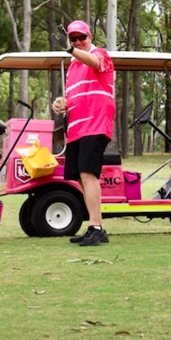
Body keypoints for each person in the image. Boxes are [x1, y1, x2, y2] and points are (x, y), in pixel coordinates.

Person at [51, 20, 116, 247]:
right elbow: (72, 97)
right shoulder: (73, 68)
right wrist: (60, 104)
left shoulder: (99, 54)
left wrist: (71, 50)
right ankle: (95, 226)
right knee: (79, 176)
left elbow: (96, 63)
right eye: (73, 39)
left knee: (88, 174)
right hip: (77, 128)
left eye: (82, 37)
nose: (78, 42)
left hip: (96, 124)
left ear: (90, 36)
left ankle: (96, 227)